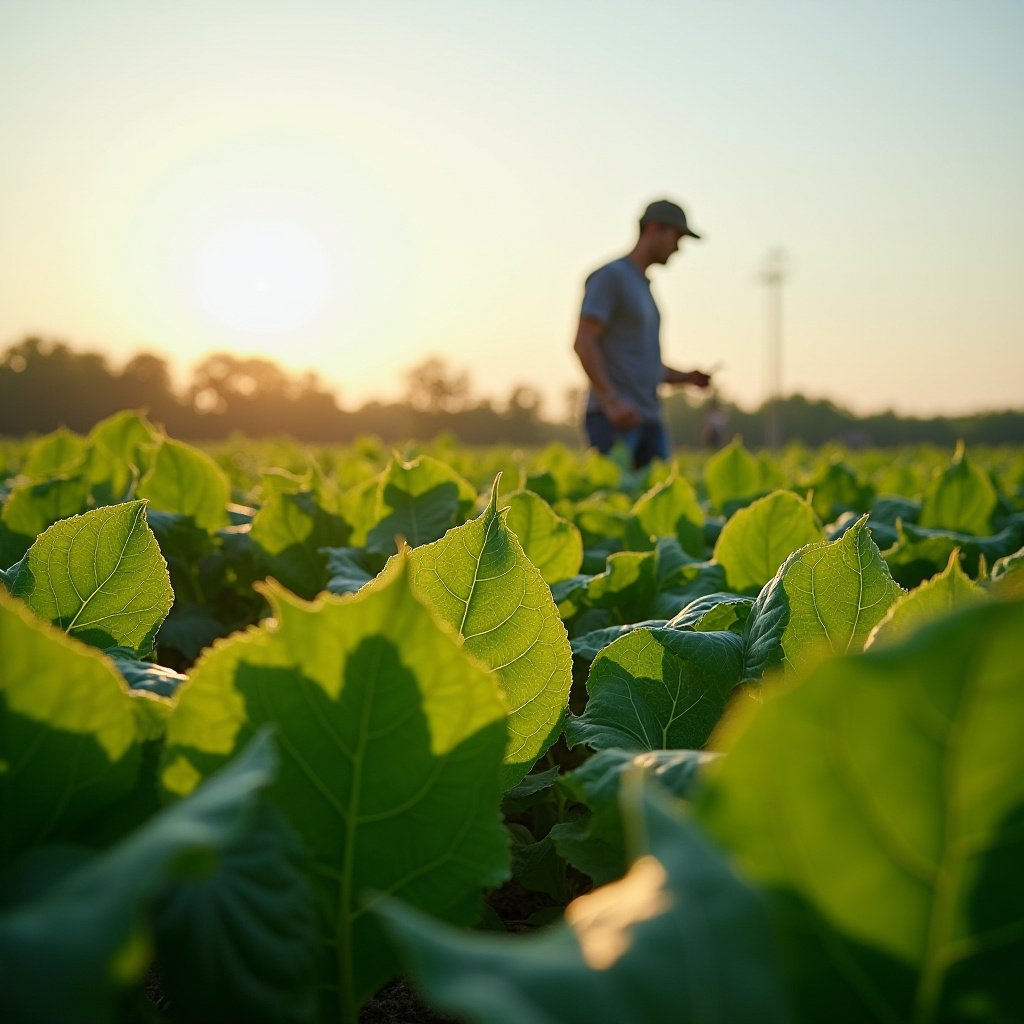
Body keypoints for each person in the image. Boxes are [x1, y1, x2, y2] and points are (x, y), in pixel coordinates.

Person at [573, 198, 712, 468]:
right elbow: (583, 341)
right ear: (653, 229)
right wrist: (611, 400)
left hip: (649, 418)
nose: (677, 248)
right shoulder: (611, 277)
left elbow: (644, 365)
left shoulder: (643, 287)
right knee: (616, 501)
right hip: (616, 419)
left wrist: (688, 377)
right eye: (676, 237)